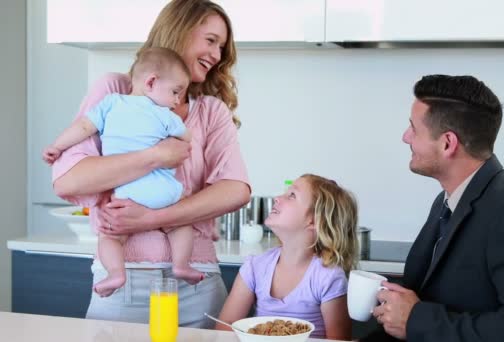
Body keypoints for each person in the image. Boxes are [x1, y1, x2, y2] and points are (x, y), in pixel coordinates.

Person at [51, 0, 250, 328]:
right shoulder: (115, 91)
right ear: (180, 30)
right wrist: (155, 156)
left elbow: (235, 189)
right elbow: (68, 180)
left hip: (196, 286)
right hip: (122, 284)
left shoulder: (211, 111)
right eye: (211, 40)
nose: (216, 55)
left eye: (222, 47)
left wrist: (153, 218)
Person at [362, 75, 504, 341]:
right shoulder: (448, 201)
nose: (405, 137)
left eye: (413, 128)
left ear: (448, 143)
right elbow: (422, 304)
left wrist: (416, 320)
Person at [43, 47, 208, 297]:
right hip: (163, 192)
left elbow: (84, 127)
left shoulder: (111, 103)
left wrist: (57, 146)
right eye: (175, 92)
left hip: (125, 195)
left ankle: (116, 273)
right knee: (181, 221)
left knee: (110, 236)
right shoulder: (165, 114)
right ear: (151, 82)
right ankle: (181, 265)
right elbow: (187, 138)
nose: (177, 100)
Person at [215, 174, 358, 340]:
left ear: (313, 221)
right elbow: (224, 328)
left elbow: (338, 341)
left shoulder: (327, 277)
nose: (277, 198)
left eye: (292, 195)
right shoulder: (255, 267)